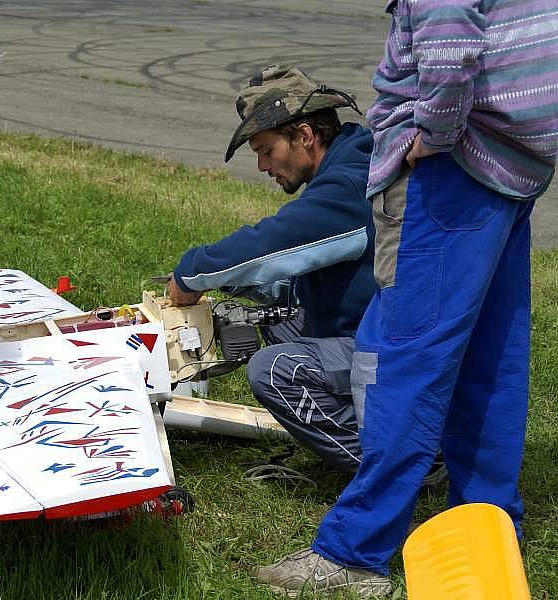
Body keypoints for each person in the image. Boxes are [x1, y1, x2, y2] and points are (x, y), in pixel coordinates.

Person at [253, 1, 558, 596]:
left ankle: (355, 551)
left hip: (455, 160)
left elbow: (447, 43)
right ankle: (484, 526)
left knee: (401, 360)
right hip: (514, 159)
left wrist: (431, 135)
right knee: (490, 357)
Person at [169, 65, 377, 473]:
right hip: (375, 325)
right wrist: (253, 291)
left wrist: (191, 273)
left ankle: (397, 466)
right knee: (274, 321)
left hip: (393, 347)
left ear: (304, 135)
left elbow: (271, 243)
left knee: (270, 369)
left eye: (267, 150)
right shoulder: (348, 164)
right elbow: (319, 271)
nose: (263, 166)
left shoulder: (350, 184)